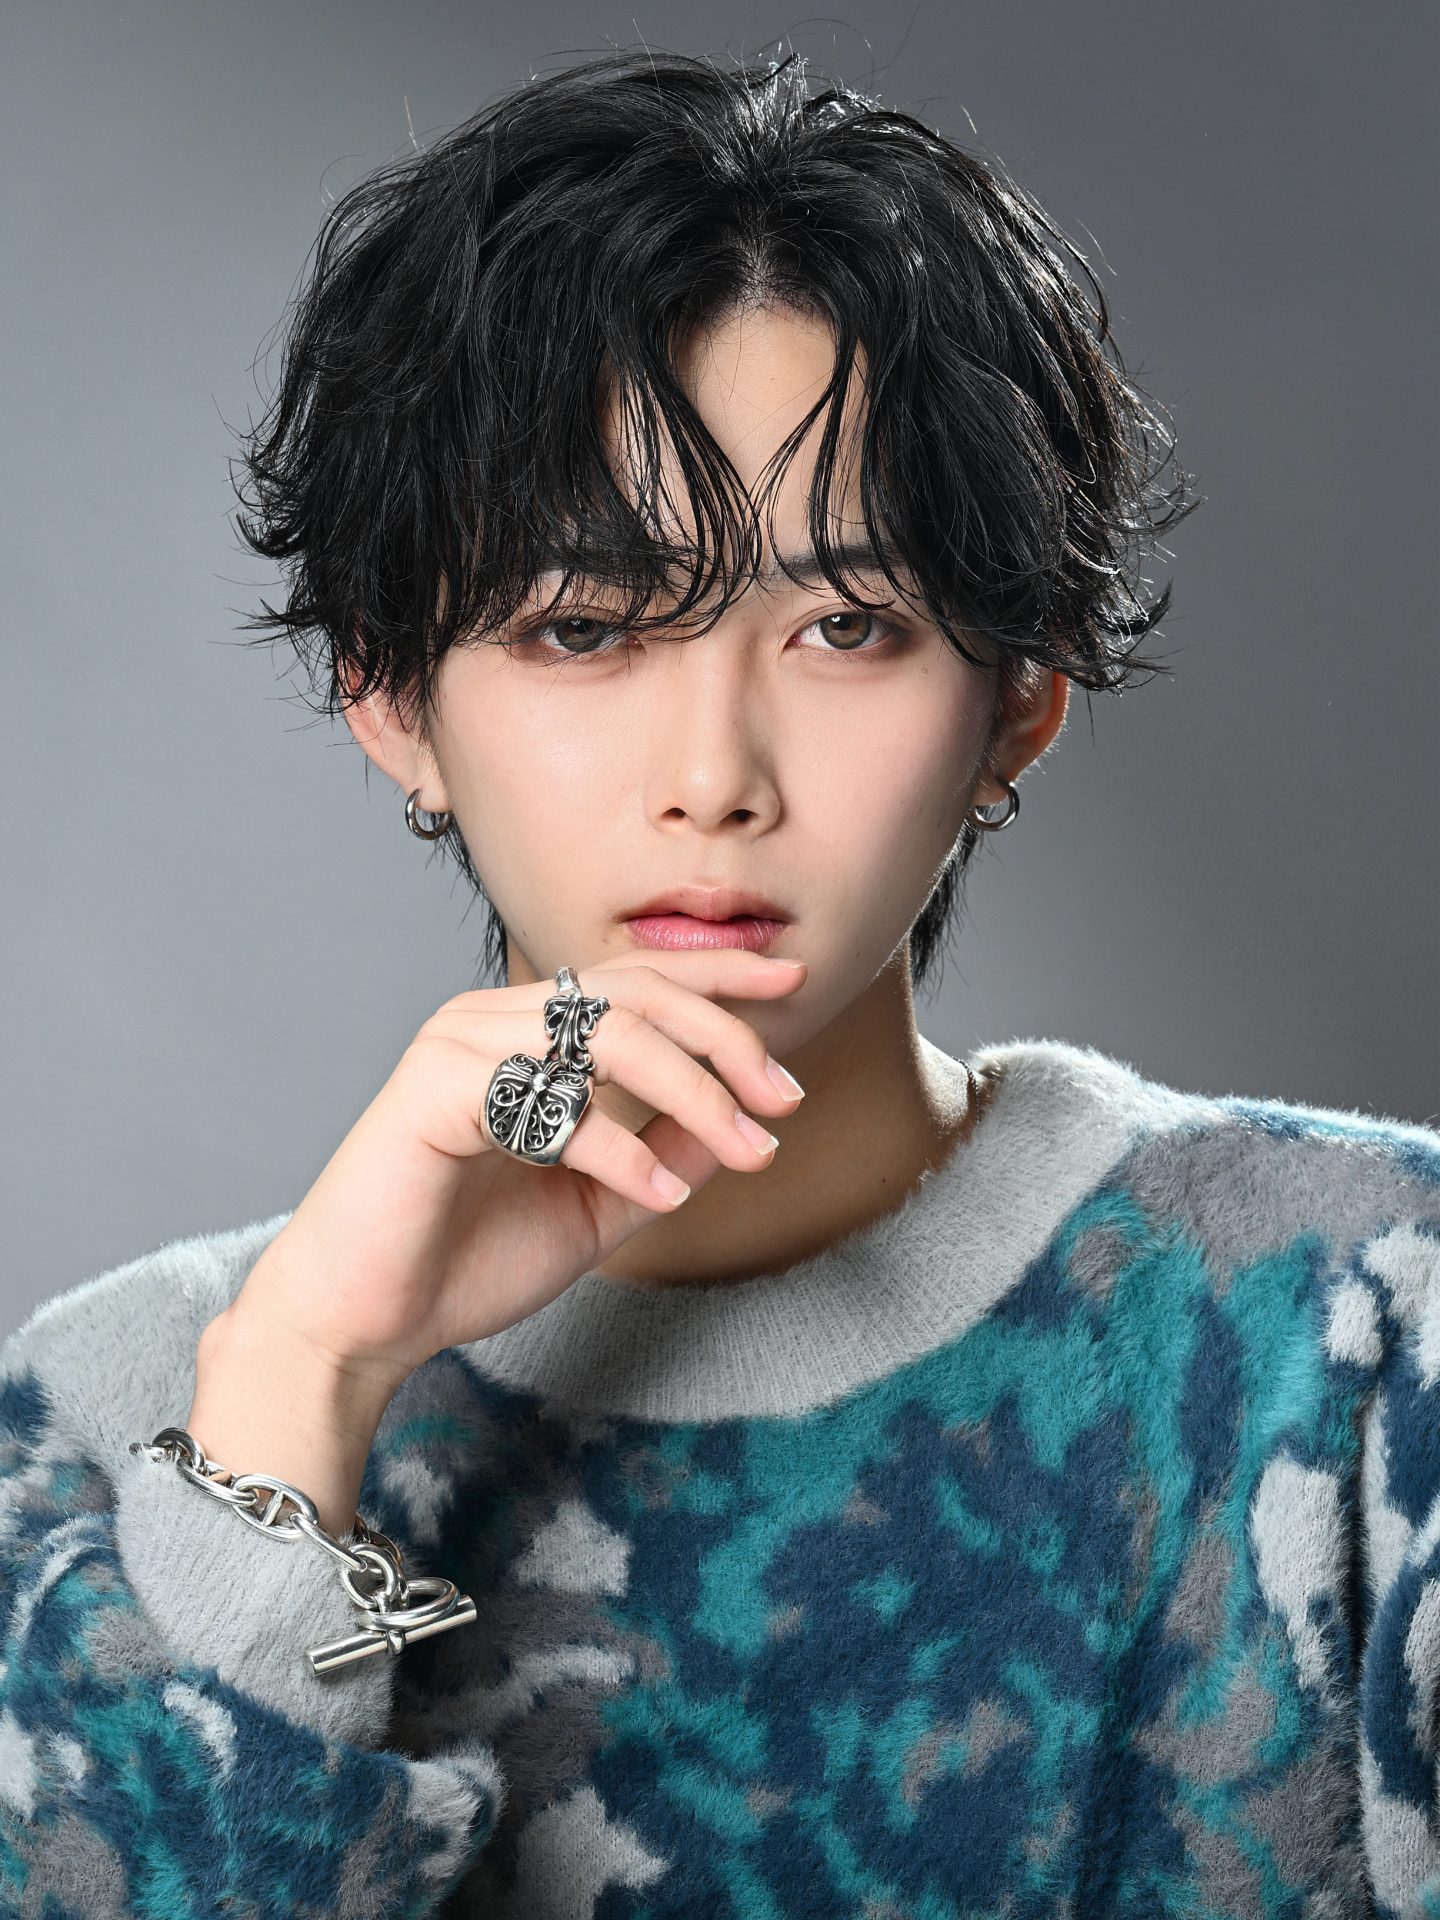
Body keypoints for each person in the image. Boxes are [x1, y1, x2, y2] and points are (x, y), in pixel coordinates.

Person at [2, 45, 1436, 1919]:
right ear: (391, 697)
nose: (714, 773)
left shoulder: (1362, 1329)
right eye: (583, 626)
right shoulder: (103, 1417)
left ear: (1017, 699)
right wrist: (303, 1375)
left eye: (846, 625)